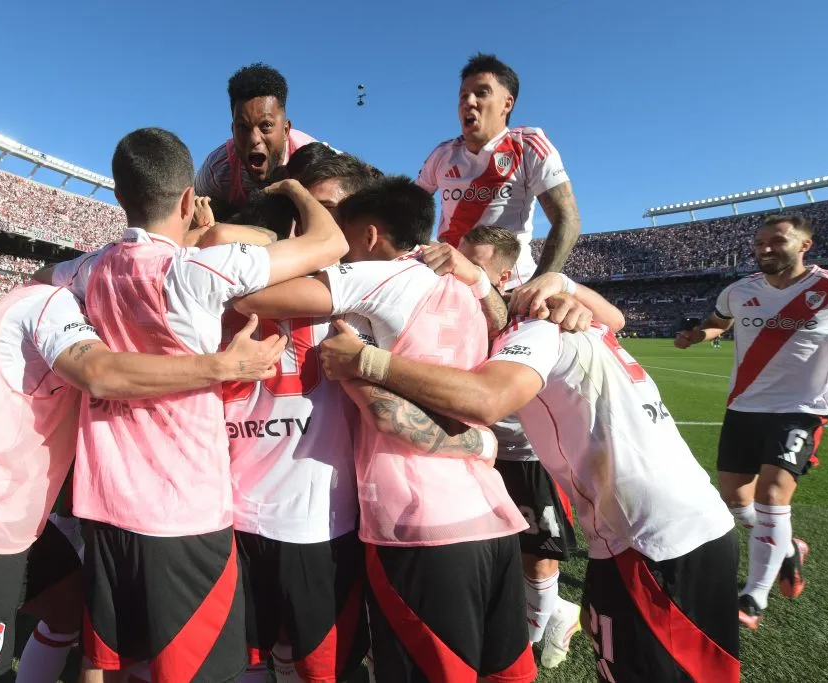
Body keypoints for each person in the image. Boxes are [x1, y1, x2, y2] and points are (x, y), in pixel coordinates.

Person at [318, 239, 740, 683]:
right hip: (692, 522)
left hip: (650, 540)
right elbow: (616, 318)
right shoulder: (579, 319)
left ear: (504, 283)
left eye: (464, 268)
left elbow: (488, 399)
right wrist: (564, 283)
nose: (446, 271)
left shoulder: (534, 326)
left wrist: (366, 359)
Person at [46, 128, 349, 683]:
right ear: (189, 199)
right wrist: (298, 193)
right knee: (195, 669)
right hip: (182, 512)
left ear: (120, 198)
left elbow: (41, 280)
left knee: (104, 659)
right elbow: (331, 245)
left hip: (104, 501)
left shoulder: (90, 269)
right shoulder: (196, 271)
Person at [0, 279, 286, 683]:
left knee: (73, 609)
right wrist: (224, 366)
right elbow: (98, 374)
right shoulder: (49, 303)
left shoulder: (79, 311)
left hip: (12, 526)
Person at [233, 177, 537, 683]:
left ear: (370, 237)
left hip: (418, 525)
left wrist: (352, 367)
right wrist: (483, 283)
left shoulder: (375, 276)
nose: (341, 250)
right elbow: (500, 319)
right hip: (491, 514)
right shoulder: (466, 288)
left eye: (345, 235)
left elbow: (249, 297)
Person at [219, 150, 377, 683]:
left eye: (335, 210)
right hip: (239, 512)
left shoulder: (372, 286)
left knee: (311, 665)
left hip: (315, 518)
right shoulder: (238, 271)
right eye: (317, 209)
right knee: (254, 658)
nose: (327, 225)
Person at [675, 214, 828, 629]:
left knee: (773, 493)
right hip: (744, 407)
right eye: (759, 243)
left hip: (801, 408)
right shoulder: (739, 291)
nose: (764, 249)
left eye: (776, 241)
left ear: (804, 245)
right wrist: (696, 336)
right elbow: (718, 324)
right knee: (736, 499)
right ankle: (787, 550)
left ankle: (753, 596)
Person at [456, 228, 584, 667]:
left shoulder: (533, 311)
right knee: (497, 555)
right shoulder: (452, 303)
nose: (462, 270)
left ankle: (529, 644)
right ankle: (556, 613)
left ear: (506, 274)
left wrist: (567, 295)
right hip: (481, 452)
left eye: (476, 264)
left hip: (531, 457)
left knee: (539, 557)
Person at [415, 52, 580, 292]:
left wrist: (536, 287)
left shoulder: (528, 144)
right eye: (463, 96)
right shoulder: (442, 154)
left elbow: (568, 219)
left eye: (481, 93)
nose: (468, 102)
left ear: (507, 103)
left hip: (508, 286)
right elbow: (406, 210)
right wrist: (422, 244)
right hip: (452, 283)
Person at [195, 64, 319, 218]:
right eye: (243, 127)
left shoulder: (315, 162)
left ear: (286, 130)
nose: (254, 139)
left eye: (266, 125)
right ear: (232, 130)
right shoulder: (216, 169)